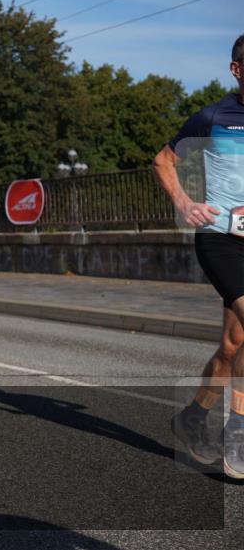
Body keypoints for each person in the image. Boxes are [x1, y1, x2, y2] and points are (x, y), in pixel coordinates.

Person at [155, 33, 244, 480]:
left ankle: (191, 418)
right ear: (236, 69)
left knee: (233, 345)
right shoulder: (213, 116)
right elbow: (163, 160)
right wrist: (185, 203)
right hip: (221, 239)